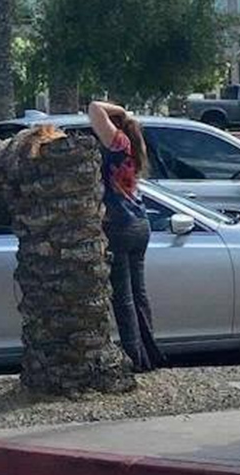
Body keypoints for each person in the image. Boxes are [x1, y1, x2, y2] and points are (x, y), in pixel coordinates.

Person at [88, 101, 166, 372]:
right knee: (138, 293)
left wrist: (119, 111)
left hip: (118, 225)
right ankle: (150, 353)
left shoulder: (118, 142)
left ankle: (136, 358)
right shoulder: (134, 146)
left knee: (123, 298)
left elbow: (94, 107)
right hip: (139, 223)